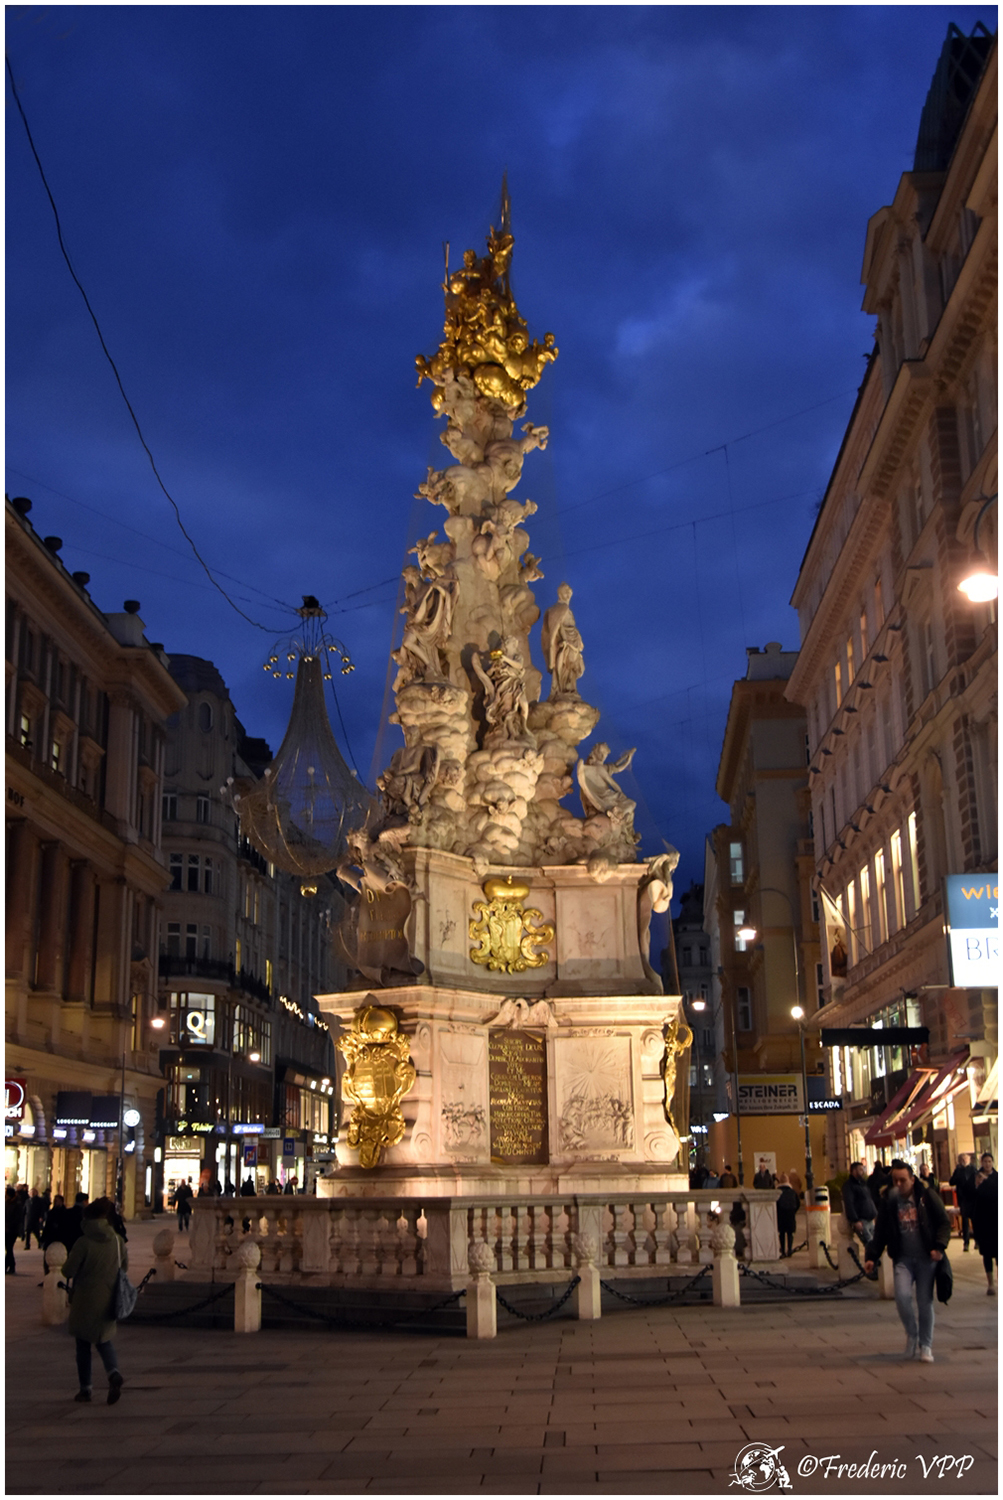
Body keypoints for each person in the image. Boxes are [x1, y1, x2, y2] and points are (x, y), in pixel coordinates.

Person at [864, 1158, 950, 1363]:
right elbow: (881, 1231)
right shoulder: (889, 1200)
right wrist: (872, 1256)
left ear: (912, 1179)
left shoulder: (927, 1196)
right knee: (902, 1297)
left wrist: (939, 1247)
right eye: (895, 1180)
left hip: (926, 1258)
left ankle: (926, 1345)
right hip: (903, 1258)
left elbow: (943, 1222)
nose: (898, 1184)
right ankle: (912, 1334)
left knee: (924, 1301)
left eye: (903, 1180)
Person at [63, 1197, 127, 1405]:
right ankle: (113, 1373)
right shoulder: (117, 1241)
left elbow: (68, 1270)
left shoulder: (84, 1242)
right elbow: (124, 1267)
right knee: (104, 1340)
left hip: (85, 1298)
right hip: (109, 1297)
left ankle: (86, 1389)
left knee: (83, 1344)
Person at [971, 1152, 997, 1296]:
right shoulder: (976, 1177)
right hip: (983, 1221)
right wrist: (977, 1185)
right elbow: (971, 1196)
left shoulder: (997, 1177)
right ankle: (990, 1283)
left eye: (989, 1161)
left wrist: (986, 1182)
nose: (987, 1164)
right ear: (981, 1163)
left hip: (996, 1220)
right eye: (985, 1161)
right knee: (987, 1254)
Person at [842, 1161, 878, 1248]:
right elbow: (849, 1203)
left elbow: (868, 1199)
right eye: (860, 1169)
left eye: (863, 1169)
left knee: (876, 1243)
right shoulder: (849, 1186)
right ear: (854, 1171)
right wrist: (855, 1220)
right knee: (870, 1244)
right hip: (861, 1220)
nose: (863, 1171)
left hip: (870, 1219)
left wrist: (874, 1213)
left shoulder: (862, 1184)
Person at [949, 1153, 976, 1250]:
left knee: (974, 1220)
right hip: (963, 1198)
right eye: (962, 1159)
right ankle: (966, 1242)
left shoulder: (973, 1169)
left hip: (973, 1197)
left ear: (969, 1159)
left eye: (966, 1159)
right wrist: (957, 1176)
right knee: (964, 1221)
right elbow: (951, 1182)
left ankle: (977, 1241)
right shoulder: (958, 1170)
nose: (964, 1160)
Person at [42, 1193, 74, 1266]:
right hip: (51, 1239)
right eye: (55, 1200)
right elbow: (47, 1227)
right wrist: (43, 1238)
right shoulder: (51, 1213)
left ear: (61, 1202)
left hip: (62, 1239)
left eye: (57, 1201)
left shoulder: (66, 1213)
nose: (55, 1202)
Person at [776, 1174, 799, 1258]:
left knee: (781, 1233)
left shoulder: (777, 1192)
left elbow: (776, 1204)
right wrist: (793, 1211)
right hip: (790, 1214)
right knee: (790, 1233)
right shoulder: (792, 1192)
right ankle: (789, 1249)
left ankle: (783, 1250)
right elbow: (798, 1203)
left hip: (781, 1214)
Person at [5, 1185, 22, 1274]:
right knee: (8, 1248)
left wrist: (9, 1225)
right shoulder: (6, 1203)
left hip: (12, 1230)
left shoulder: (17, 1204)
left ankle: (8, 1266)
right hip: (6, 1230)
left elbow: (17, 1218)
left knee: (9, 1247)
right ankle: (10, 1266)